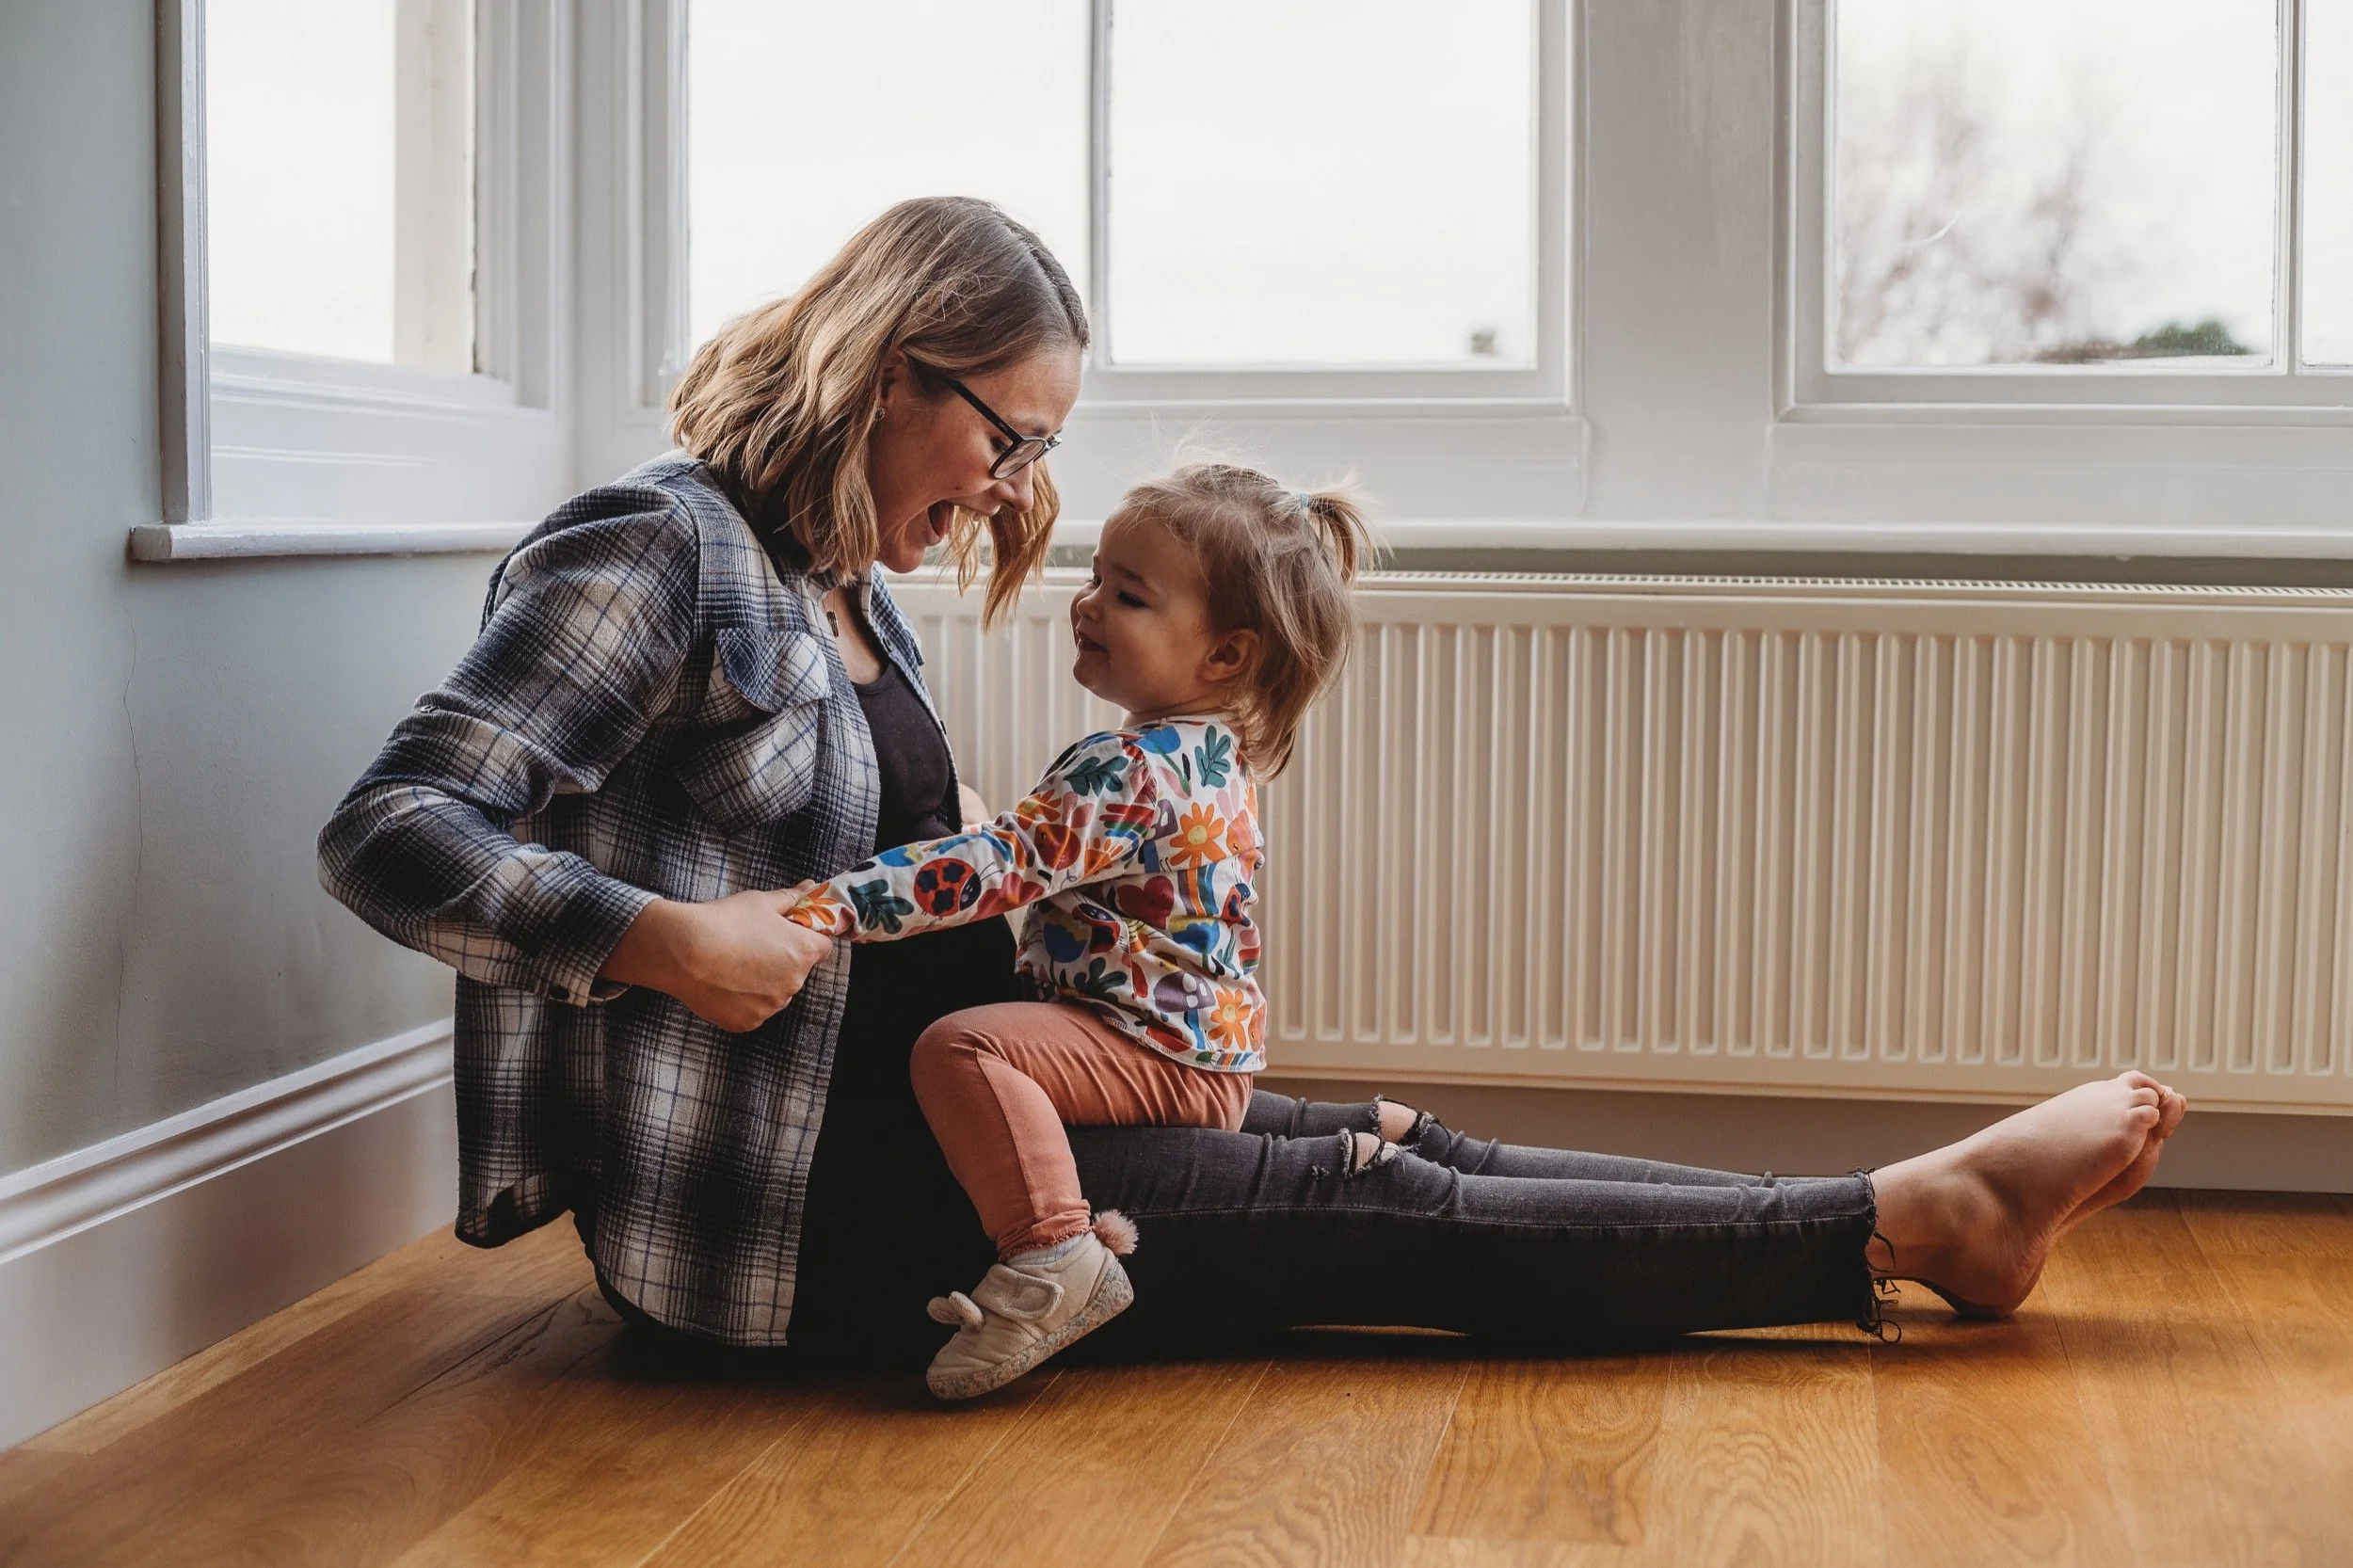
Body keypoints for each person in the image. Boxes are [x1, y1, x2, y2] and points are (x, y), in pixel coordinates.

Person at [318, 195, 2188, 1379]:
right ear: (889, 370)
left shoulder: (837, 577)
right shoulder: (658, 549)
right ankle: (1891, 1226)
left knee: (1399, 1140)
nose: (1012, 489)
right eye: (1006, 435)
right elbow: (392, 827)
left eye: (1036, 450)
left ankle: (1880, 1200)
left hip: (949, 1106)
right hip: (814, 1215)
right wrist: (654, 937)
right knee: (1367, 1206)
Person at [768, 463, 1371, 1399]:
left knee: (961, 1049)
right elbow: (1046, 856)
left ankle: (1052, 1255)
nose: (1088, 604)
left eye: (1128, 596)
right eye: (1096, 577)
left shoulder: (1128, 768)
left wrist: (826, 906)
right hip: (1200, 1048)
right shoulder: (1211, 752)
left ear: (1224, 655)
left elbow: (995, 867)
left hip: (1153, 1050)